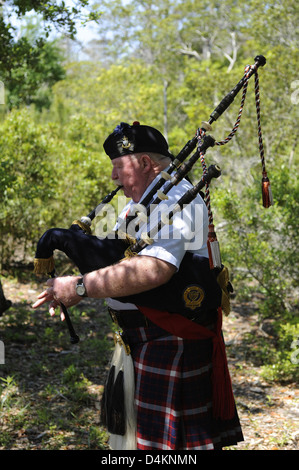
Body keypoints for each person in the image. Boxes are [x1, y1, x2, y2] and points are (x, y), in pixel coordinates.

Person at [33, 121, 244, 450]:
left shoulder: (177, 199)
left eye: (119, 166)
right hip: (140, 341)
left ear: (146, 163)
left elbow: (153, 270)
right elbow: (116, 261)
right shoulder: (139, 205)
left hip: (169, 339)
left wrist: (77, 288)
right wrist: (68, 282)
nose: (114, 177)